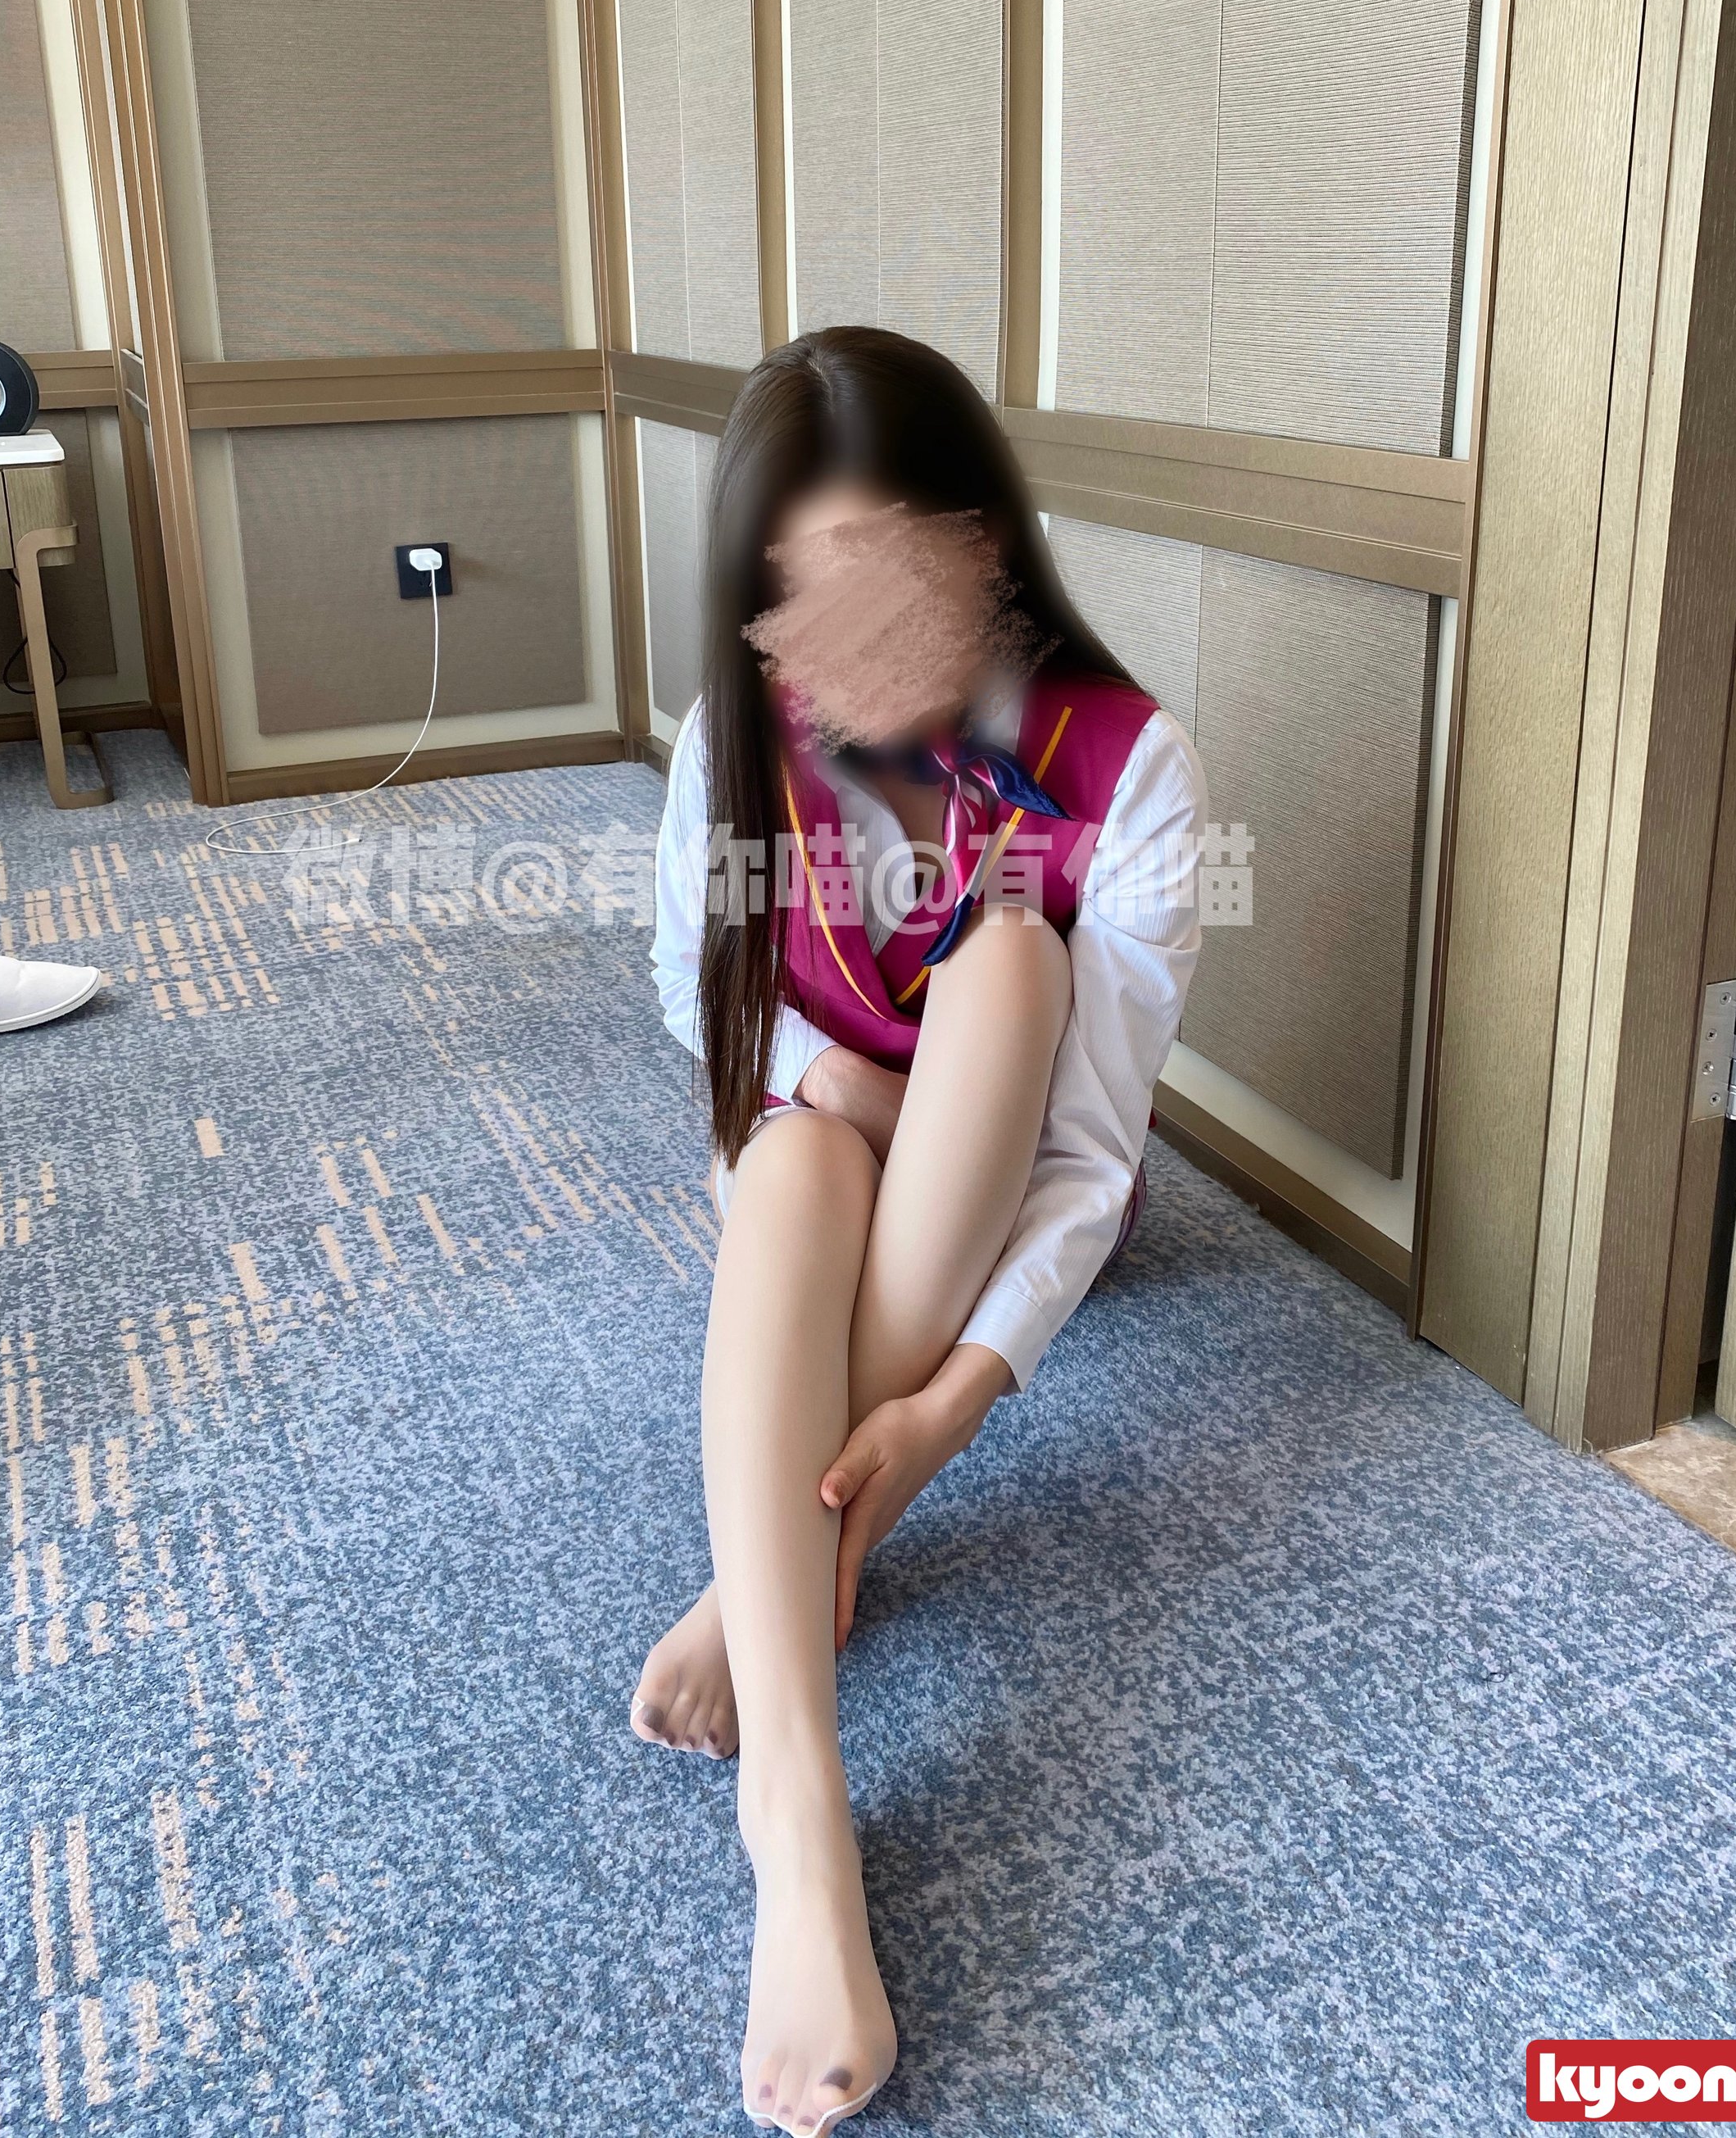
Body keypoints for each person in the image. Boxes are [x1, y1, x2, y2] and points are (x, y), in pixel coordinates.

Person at [643, 326, 1206, 2136]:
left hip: (1004, 1181)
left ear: (988, 551)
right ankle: (799, 1823)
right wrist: (835, 1093)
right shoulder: (732, 738)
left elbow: (1088, 1160)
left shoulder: (1128, 764)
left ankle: (762, 1586)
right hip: (810, 1156)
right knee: (800, 1166)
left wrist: (947, 1410)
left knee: (1014, 958)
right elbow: (688, 994)